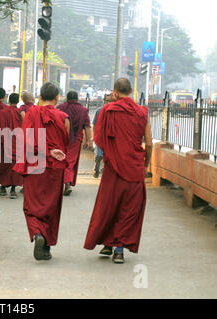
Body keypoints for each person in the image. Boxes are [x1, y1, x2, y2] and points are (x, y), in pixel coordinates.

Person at [83, 78, 152, 264]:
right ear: (131, 91)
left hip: (113, 167)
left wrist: (111, 155)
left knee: (109, 205)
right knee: (128, 209)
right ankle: (118, 250)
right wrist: (146, 166)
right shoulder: (142, 112)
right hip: (135, 166)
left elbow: (99, 138)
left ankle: (109, 243)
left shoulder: (107, 110)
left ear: (114, 92)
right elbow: (150, 143)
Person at [13, 82, 70, 261]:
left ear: (40, 97)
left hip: (33, 165)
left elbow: (26, 140)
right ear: (57, 97)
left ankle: (38, 233)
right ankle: (46, 247)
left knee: (32, 205)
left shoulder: (31, 113)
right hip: (54, 167)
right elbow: (64, 143)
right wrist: (51, 151)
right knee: (51, 206)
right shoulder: (64, 118)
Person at [0, 93, 23, 199]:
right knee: (14, 166)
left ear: (9, 101)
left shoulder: (4, 112)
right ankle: (13, 190)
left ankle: (2, 188)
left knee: (3, 165)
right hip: (17, 143)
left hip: (4, 142)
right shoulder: (20, 113)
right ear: (17, 102)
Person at [57, 91, 92, 196]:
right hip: (76, 139)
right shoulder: (83, 110)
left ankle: (64, 182)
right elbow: (87, 126)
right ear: (77, 99)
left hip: (61, 138)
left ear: (67, 98)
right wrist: (88, 141)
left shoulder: (61, 107)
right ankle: (67, 182)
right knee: (70, 161)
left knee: (61, 159)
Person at [92, 94, 112, 178]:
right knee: (99, 155)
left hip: (110, 138)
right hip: (99, 137)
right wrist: (94, 136)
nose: (108, 102)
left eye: (110, 101)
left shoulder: (114, 111)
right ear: (104, 101)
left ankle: (105, 170)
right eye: (107, 101)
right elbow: (94, 124)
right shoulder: (99, 111)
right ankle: (96, 169)